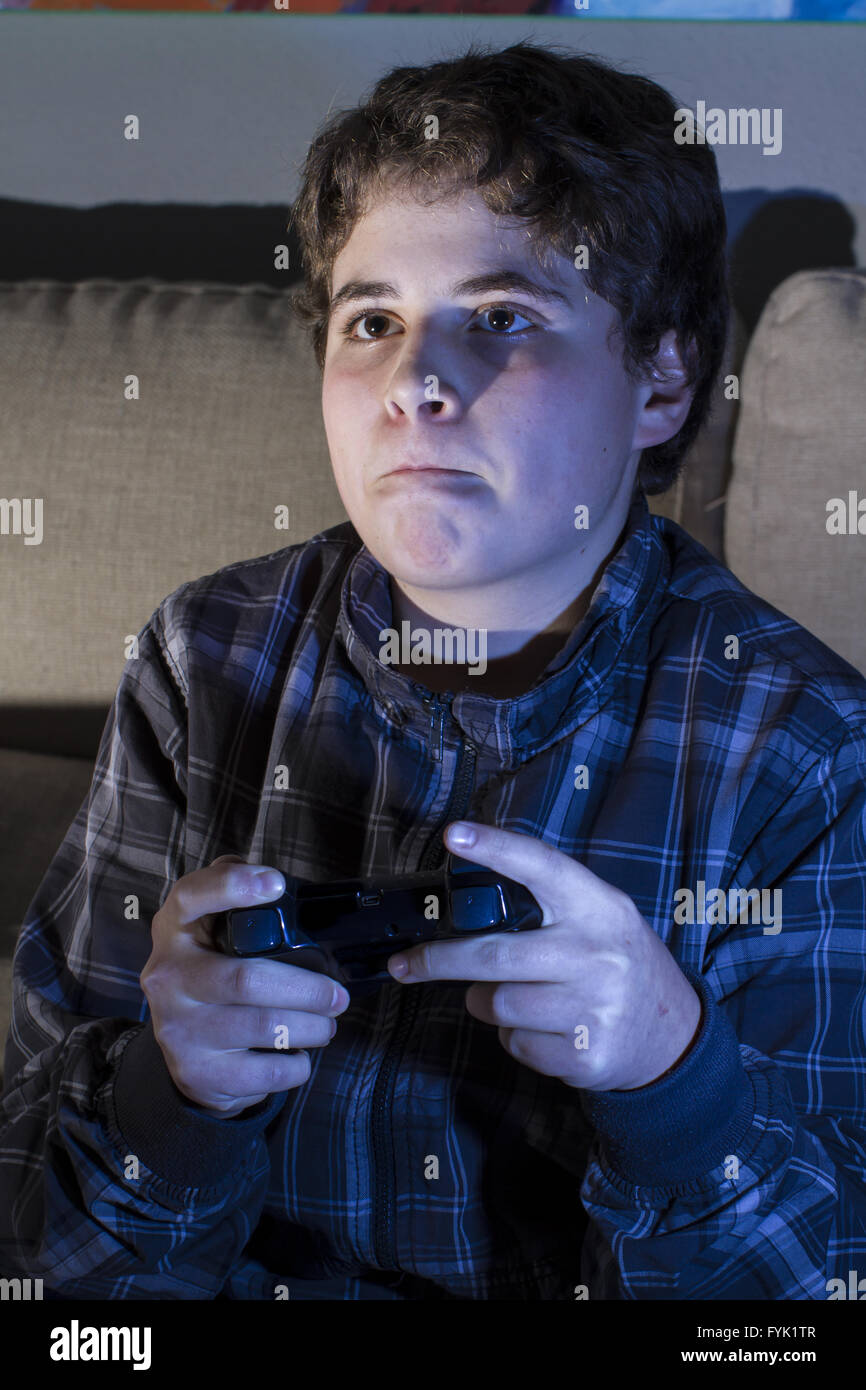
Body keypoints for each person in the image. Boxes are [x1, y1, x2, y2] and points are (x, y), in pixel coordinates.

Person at [2, 39, 865, 1301]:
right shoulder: (203, 658)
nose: (414, 381)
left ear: (662, 378)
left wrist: (670, 1077)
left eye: (501, 317)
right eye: (373, 320)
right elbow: (52, 1285)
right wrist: (168, 1094)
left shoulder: (805, 752)